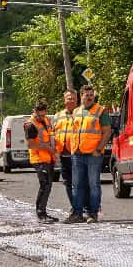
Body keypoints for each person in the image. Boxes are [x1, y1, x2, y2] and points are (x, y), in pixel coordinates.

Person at [66, 85, 109, 223]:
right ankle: (77, 214)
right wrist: (72, 149)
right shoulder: (76, 111)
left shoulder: (100, 111)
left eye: (91, 95)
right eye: (87, 95)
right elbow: (74, 132)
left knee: (93, 185)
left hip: (93, 154)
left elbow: (107, 132)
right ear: (81, 96)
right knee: (77, 185)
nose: (90, 97)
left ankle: (93, 213)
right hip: (77, 154)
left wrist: (98, 149)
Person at [23, 100, 59, 223]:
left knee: (48, 185)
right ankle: (40, 214)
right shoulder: (30, 125)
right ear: (35, 112)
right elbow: (31, 144)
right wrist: (48, 147)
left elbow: (50, 135)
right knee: (45, 185)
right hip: (39, 159)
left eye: (44, 115)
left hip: (48, 158)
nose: (42, 117)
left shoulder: (46, 120)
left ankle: (43, 212)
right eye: (40, 115)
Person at [54, 88, 78, 210]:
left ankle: (81, 207)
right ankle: (74, 206)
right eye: (69, 98)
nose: (71, 100)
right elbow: (53, 133)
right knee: (68, 183)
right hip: (63, 156)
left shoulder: (81, 114)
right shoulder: (58, 116)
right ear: (64, 100)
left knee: (78, 183)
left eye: (74, 98)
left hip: (77, 155)